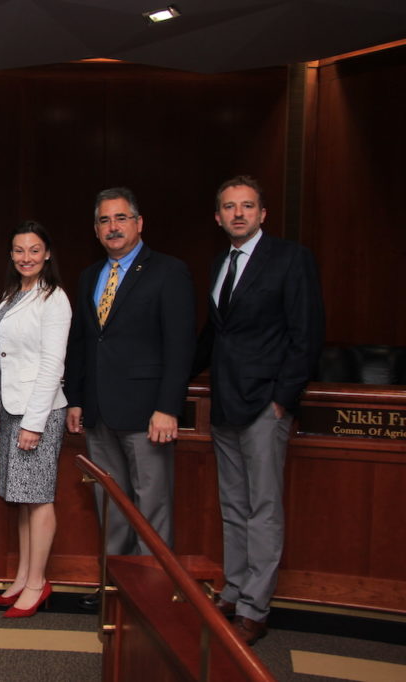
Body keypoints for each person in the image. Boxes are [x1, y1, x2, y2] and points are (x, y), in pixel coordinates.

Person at [193, 175, 324, 644]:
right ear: (218, 216)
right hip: (227, 403)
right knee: (234, 505)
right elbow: (215, 335)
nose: (239, 214)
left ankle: (255, 607)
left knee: (264, 508)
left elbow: (306, 335)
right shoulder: (219, 264)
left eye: (247, 206)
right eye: (229, 207)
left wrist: (281, 402)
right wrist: (171, 378)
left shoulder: (291, 259)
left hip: (266, 406)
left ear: (263, 213)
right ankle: (235, 587)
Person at [64, 187, 195, 611]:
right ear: (96, 230)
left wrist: (168, 407)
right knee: (112, 505)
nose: (113, 227)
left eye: (121, 218)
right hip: (100, 412)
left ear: (139, 223)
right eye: (104, 220)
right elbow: (83, 344)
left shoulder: (168, 272)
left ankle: (150, 598)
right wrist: (77, 400)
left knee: (150, 508)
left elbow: (180, 347)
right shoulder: (89, 276)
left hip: (147, 413)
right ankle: (115, 589)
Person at [0, 221, 72, 618]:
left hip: (40, 412)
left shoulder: (54, 299)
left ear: (47, 253)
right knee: (20, 498)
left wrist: (34, 423)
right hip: (12, 409)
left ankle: (38, 583)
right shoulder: (11, 295)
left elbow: (53, 364)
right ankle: (22, 577)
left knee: (38, 498)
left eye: (34, 250)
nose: (26, 258)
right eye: (19, 250)